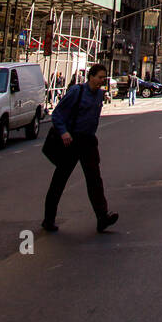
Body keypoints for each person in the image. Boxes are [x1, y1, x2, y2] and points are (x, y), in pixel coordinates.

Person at [42, 63, 118, 233]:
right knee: (59, 180)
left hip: (88, 141)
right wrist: (64, 132)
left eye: (103, 78)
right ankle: (48, 219)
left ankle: (102, 217)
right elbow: (57, 114)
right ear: (91, 76)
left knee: (94, 180)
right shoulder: (77, 91)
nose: (101, 81)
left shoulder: (99, 95)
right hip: (71, 141)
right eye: (99, 77)